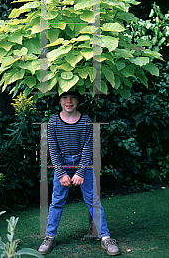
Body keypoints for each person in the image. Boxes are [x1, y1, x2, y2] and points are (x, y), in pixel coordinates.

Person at [38, 91, 120, 256]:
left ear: (78, 100)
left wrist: (81, 171)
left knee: (93, 200)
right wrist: (61, 174)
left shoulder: (85, 120)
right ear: (59, 101)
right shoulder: (53, 121)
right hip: (62, 163)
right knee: (56, 202)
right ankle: (49, 237)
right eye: (64, 98)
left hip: (84, 164)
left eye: (73, 97)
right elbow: (53, 149)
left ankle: (106, 237)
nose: (69, 101)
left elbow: (88, 147)